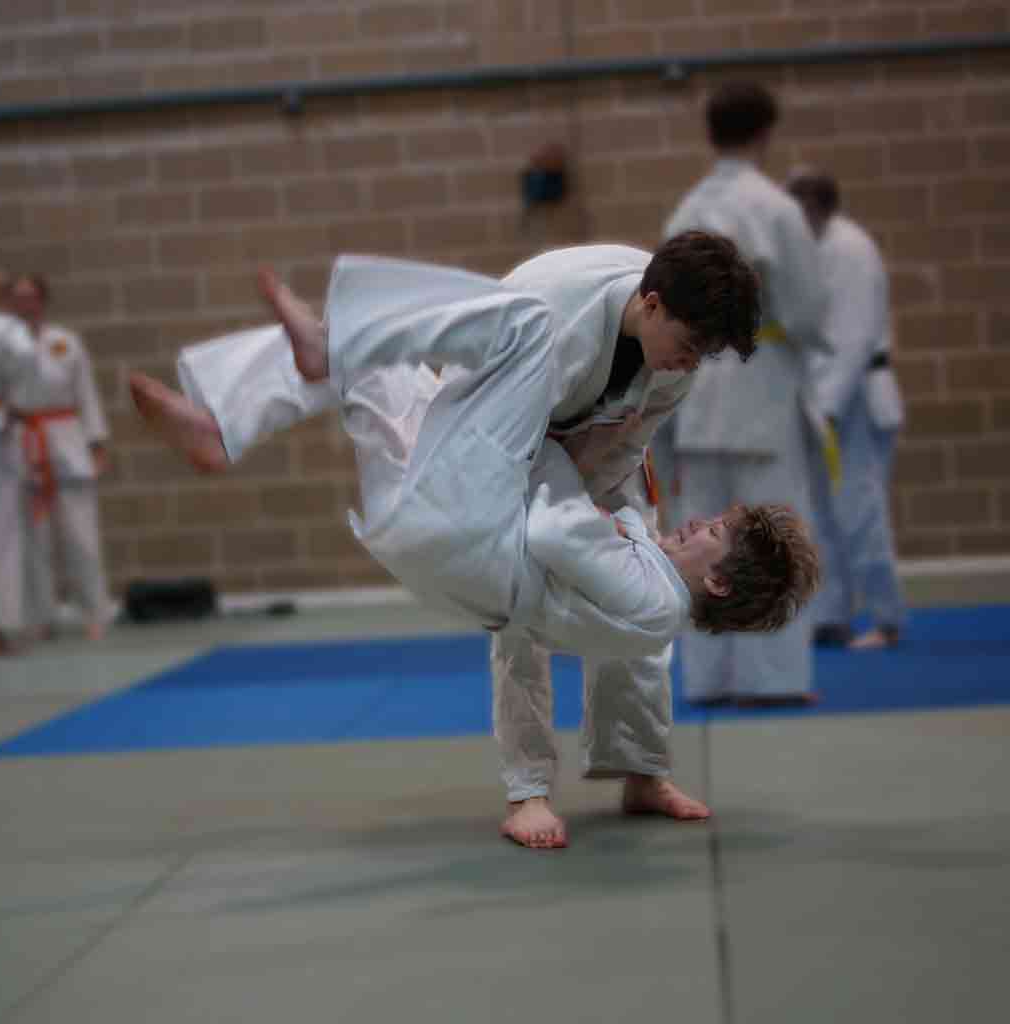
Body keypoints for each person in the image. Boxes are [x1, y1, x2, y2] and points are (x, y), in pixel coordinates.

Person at [130, 248, 818, 848]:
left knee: (641, 592)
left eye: (704, 355)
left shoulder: (675, 356)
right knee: (547, 584)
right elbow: (536, 479)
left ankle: (640, 770)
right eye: (691, 344)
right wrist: (588, 516)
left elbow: (627, 447)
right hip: (494, 437)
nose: (691, 363)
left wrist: (609, 515)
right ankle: (528, 789)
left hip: (534, 487)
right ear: (653, 301)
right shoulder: (556, 300)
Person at [653, 80, 832, 706]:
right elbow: (810, 312)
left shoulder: (686, 211)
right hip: (763, 390)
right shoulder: (776, 210)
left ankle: (707, 678)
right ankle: (774, 680)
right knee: (772, 540)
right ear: (764, 134)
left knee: (697, 541)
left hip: (696, 392)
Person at [787, 168, 906, 650]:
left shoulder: (850, 249)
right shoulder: (816, 249)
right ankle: (831, 614)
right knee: (820, 512)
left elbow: (853, 339)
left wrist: (827, 408)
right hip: (824, 400)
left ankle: (886, 617)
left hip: (853, 400)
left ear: (816, 207)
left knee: (859, 509)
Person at [7, 274, 111, 643]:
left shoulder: (66, 343)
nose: (25, 304)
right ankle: (41, 616)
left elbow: (87, 396)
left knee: (80, 535)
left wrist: (97, 443)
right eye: (18, 298)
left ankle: (95, 612)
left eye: (31, 297)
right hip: (22, 444)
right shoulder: (3, 346)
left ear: (43, 300)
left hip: (67, 441)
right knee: (34, 538)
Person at [0, 270, 37, 656]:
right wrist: (17, 403)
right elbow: (25, 358)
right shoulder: (7, 330)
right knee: (1, 533)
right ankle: (2, 627)